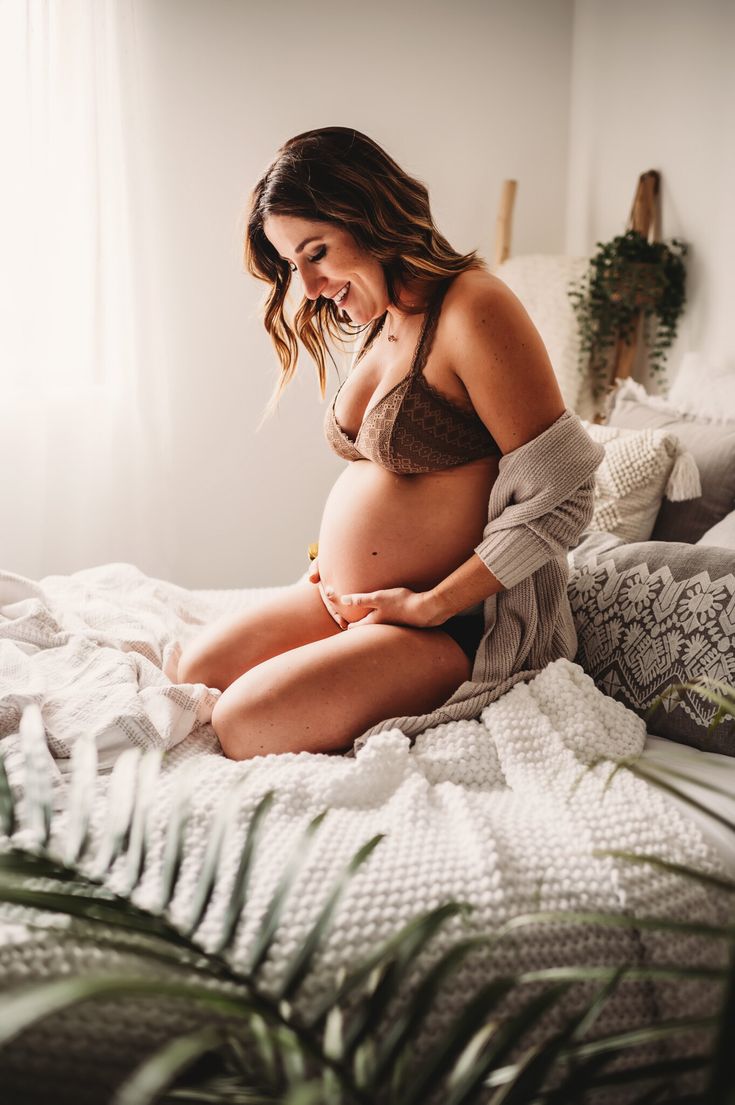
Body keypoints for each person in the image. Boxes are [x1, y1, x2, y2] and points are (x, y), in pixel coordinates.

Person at [176, 126, 604, 760]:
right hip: (357, 601)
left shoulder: (474, 308)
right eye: (295, 266)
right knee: (196, 671)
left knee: (242, 723)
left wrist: (431, 604)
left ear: (368, 214)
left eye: (316, 252)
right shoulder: (380, 316)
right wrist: (337, 562)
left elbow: (566, 496)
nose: (311, 286)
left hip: (454, 627)